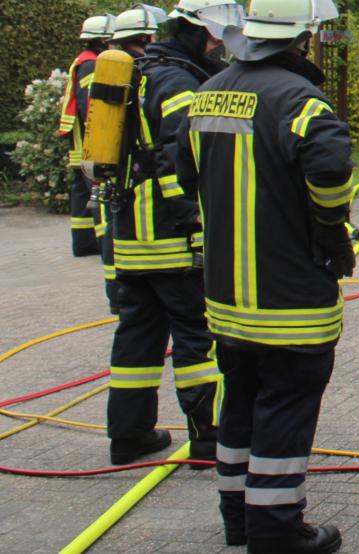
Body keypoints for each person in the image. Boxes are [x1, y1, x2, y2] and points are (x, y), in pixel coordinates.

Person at [176, 0, 351, 551]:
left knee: (243, 397)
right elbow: (330, 173)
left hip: (225, 298)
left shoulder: (207, 92)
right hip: (290, 296)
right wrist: (330, 229)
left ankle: (239, 518)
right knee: (286, 402)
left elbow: (185, 176)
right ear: (301, 38)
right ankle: (275, 531)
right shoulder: (301, 100)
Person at [104, 0, 241, 467]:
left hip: (130, 237)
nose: (219, 48)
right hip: (170, 238)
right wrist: (197, 226)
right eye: (216, 38)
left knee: (136, 340)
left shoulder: (141, 72)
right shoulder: (177, 81)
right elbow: (177, 162)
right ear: (200, 33)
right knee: (195, 337)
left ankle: (129, 437)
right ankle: (209, 437)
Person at [59, 15, 114, 257]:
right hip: (87, 140)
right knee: (96, 188)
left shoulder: (83, 60)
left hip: (78, 138)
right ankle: (104, 244)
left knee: (82, 192)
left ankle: (83, 243)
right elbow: (90, 104)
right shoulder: (91, 64)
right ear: (102, 40)